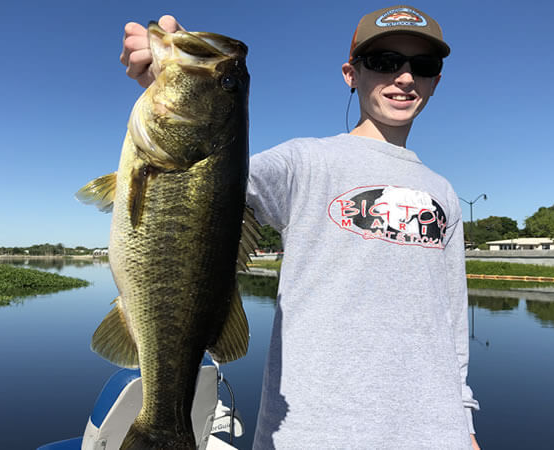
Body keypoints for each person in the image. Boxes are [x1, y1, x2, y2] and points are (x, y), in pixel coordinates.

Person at [122, 5, 481, 449]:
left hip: (435, 431)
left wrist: (463, 422)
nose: (404, 78)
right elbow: (199, 192)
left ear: (435, 82)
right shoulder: (303, 161)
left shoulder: (442, 190)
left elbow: (450, 315)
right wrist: (172, 87)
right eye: (385, 62)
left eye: (422, 67)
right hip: (314, 430)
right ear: (351, 73)